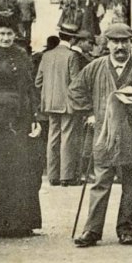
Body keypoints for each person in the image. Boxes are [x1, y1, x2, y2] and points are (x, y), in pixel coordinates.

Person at [69, 23, 132, 247]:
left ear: (131, 43)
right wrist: (89, 113)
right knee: (100, 181)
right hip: (103, 134)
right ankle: (92, 230)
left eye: (124, 42)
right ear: (108, 44)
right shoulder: (95, 67)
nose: (120, 46)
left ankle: (126, 230)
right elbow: (75, 90)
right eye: (115, 42)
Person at [0, 11, 44, 237]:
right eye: (2, 33)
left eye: (10, 34)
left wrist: (35, 116)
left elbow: (30, 87)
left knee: (23, 168)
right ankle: (1, 222)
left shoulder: (22, 55)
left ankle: (22, 222)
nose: (6, 38)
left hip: (21, 116)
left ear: (16, 34)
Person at [36, 23, 90, 186]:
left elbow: (38, 81)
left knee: (53, 137)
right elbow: (75, 82)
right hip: (67, 103)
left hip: (50, 103)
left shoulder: (47, 55)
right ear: (73, 39)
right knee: (67, 137)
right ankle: (66, 176)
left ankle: (53, 175)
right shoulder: (71, 56)